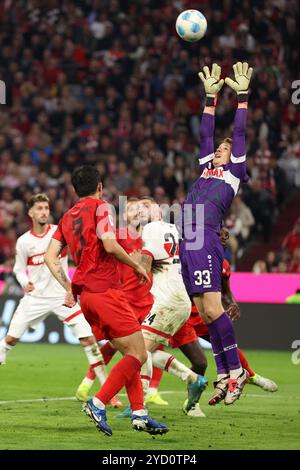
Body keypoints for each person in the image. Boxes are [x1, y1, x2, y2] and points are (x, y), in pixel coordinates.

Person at [45, 166, 168, 436]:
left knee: (129, 353)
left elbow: (49, 257)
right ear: (99, 187)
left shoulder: (66, 217)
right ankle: (98, 402)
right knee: (139, 354)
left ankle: (139, 415)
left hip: (86, 297)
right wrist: (136, 267)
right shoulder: (102, 208)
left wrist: (68, 286)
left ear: (75, 190)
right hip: (106, 292)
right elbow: (111, 245)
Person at [179, 62, 252, 405]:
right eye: (219, 150)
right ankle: (223, 375)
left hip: (206, 234)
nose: (219, 150)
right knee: (205, 312)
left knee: (213, 306)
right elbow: (205, 134)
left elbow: (238, 135)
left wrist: (242, 98)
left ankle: (235, 371)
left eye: (224, 150)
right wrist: (210, 98)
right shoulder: (206, 168)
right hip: (188, 238)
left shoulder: (233, 173)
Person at [0, 194, 112, 399]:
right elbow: (18, 269)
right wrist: (26, 283)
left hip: (62, 296)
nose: (44, 211)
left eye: (46, 208)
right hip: (35, 298)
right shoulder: (24, 241)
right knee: (10, 340)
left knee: (89, 340)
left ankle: (108, 392)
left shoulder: (58, 232)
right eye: (40, 208)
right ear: (31, 213)